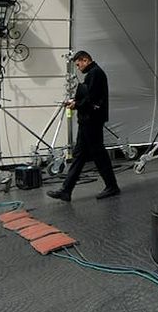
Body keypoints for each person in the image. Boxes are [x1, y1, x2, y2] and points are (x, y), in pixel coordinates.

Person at [47, 51, 120, 201]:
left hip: (91, 120)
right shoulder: (94, 73)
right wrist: (77, 103)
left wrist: (76, 104)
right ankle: (66, 190)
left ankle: (112, 186)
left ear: (85, 60)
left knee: (98, 153)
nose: (78, 68)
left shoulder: (95, 73)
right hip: (88, 120)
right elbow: (89, 96)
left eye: (78, 64)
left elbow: (91, 98)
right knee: (80, 155)